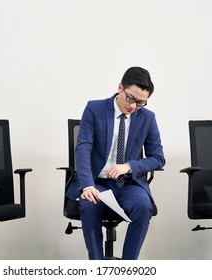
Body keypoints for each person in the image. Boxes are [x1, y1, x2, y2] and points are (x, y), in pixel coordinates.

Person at [66, 66, 165, 260]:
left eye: (141, 102)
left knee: (144, 207)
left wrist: (129, 166)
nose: (133, 107)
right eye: (130, 98)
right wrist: (87, 185)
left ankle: (127, 268)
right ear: (120, 87)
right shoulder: (94, 109)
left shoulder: (147, 117)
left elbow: (158, 158)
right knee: (88, 203)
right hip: (97, 182)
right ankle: (97, 267)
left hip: (128, 184)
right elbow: (83, 148)